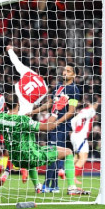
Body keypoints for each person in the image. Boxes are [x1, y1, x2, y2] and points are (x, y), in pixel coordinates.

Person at [0, 93, 90, 195]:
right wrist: (55, 111)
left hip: (16, 160)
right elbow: (48, 127)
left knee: (32, 150)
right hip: (32, 156)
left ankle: (38, 187)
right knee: (68, 152)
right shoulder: (23, 120)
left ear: (5, 105)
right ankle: (72, 188)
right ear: (18, 104)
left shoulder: (0, 118)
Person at [0, 45, 49, 186]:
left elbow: (16, 62)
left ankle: (7, 174)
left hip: (10, 106)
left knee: (11, 145)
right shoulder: (45, 89)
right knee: (27, 147)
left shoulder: (29, 72)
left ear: (37, 71)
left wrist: (10, 50)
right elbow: (35, 103)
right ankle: (31, 180)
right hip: (25, 115)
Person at [30, 63, 80, 193]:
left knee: (53, 152)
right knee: (54, 153)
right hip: (52, 124)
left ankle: (47, 185)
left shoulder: (74, 89)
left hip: (61, 125)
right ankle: (54, 185)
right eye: (64, 70)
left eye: (68, 71)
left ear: (73, 75)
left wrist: (58, 122)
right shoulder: (58, 86)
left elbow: (71, 111)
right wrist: (34, 112)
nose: (65, 73)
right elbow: (50, 103)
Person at [70, 101, 99, 184]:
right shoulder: (90, 110)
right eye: (96, 104)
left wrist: (74, 130)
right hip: (81, 136)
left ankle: (65, 172)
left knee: (76, 156)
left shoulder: (82, 111)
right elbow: (93, 113)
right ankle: (73, 177)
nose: (97, 106)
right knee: (83, 157)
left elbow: (72, 121)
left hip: (75, 135)